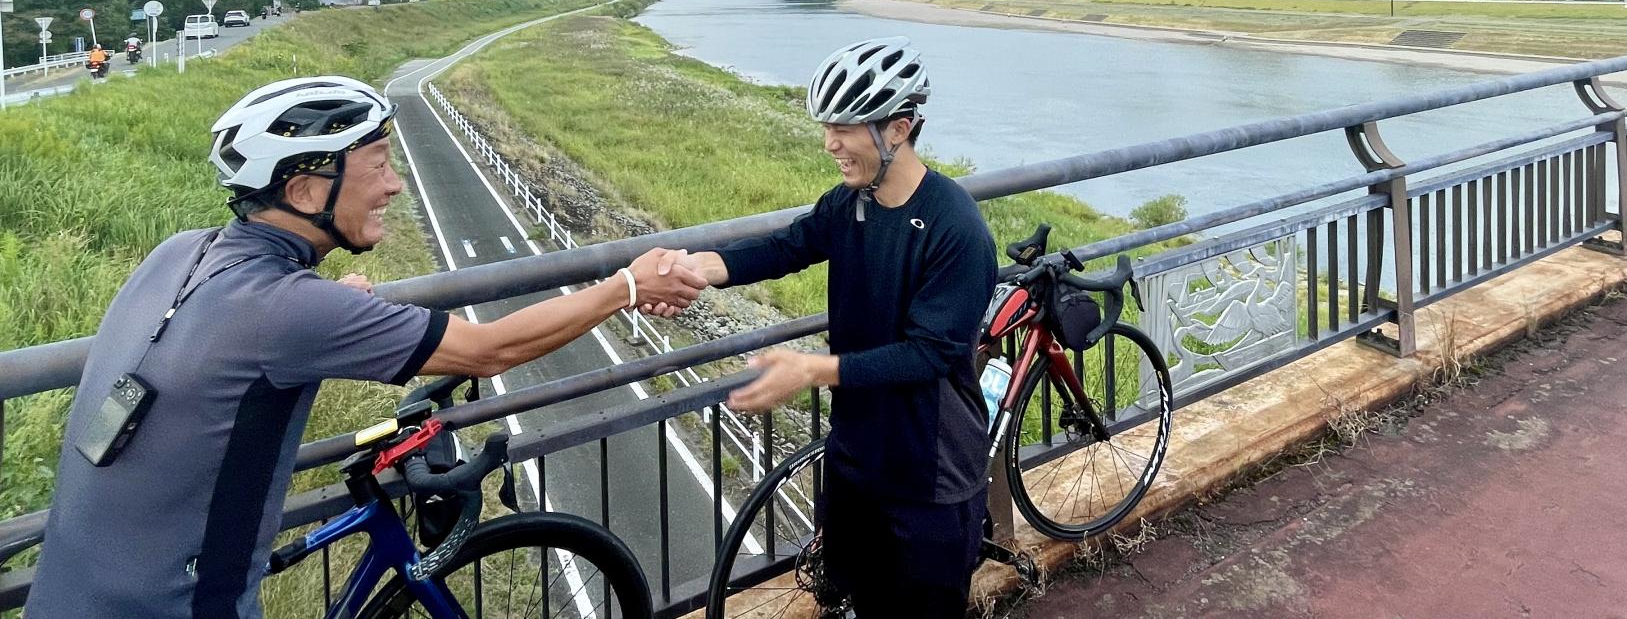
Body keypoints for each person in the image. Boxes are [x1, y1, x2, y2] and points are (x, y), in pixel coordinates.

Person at [28, 75, 707, 618]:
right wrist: (625, 283)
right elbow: (489, 349)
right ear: (303, 189)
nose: (394, 184)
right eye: (378, 166)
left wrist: (330, 302)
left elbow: (247, 332)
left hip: (66, 591)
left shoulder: (179, 254)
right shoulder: (289, 308)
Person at [665, 38, 999, 618]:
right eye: (827, 127)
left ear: (897, 129)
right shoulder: (851, 203)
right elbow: (790, 246)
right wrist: (703, 267)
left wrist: (811, 369)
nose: (830, 144)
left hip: (929, 469)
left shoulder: (956, 228)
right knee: (858, 596)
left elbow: (931, 355)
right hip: (856, 455)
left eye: (844, 127)